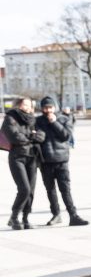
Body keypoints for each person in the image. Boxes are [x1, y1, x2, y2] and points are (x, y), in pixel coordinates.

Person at [36, 96, 88, 226]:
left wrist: (54, 122)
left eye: (50, 107)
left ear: (55, 107)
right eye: (45, 107)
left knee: (65, 189)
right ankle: (56, 214)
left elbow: (66, 136)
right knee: (50, 190)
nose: (48, 110)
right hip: (45, 161)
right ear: (42, 108)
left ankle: (73, 215)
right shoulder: (38, 121)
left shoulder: (64, 119)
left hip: (61, 160)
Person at [3, 97, 44, 230]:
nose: (28, 107)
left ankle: (25, 218)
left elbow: (41, 135)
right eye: (25, 104)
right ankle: (14, 217)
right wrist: (32, 136)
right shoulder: (10, 118)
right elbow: (14, 137)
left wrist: (33, 136)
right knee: (24, 189)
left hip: (32, 157)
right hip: (17, 157)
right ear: (18, 105)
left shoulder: (33, 119)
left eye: (30, 104)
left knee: (31, 191)